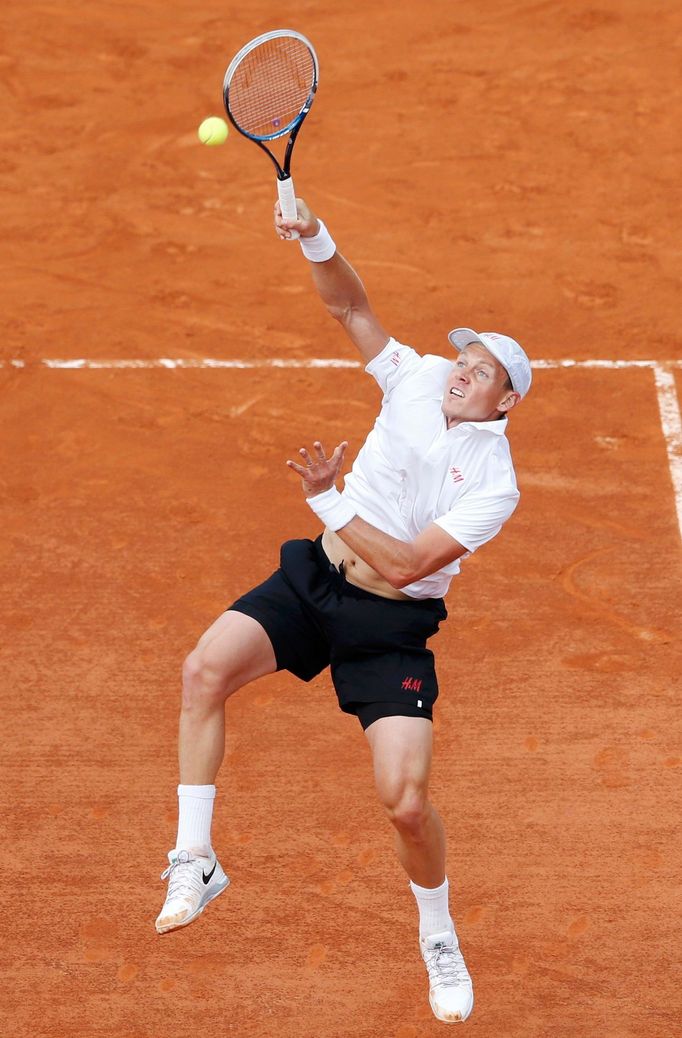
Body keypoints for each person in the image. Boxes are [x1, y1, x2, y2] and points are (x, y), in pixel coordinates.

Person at [155, 197, 532, 1025]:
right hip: (315, 582)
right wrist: (314, 237)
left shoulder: (494, 485)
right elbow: (350, 305)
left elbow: (407, 563)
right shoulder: (420, 375)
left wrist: (328, 501)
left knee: (404, 801)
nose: (464, 366)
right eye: (465, 355)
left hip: (388, 623)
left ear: (505, 404)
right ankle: (195, 856)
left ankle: (439, 935)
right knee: (203, 671)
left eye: (485, 370)